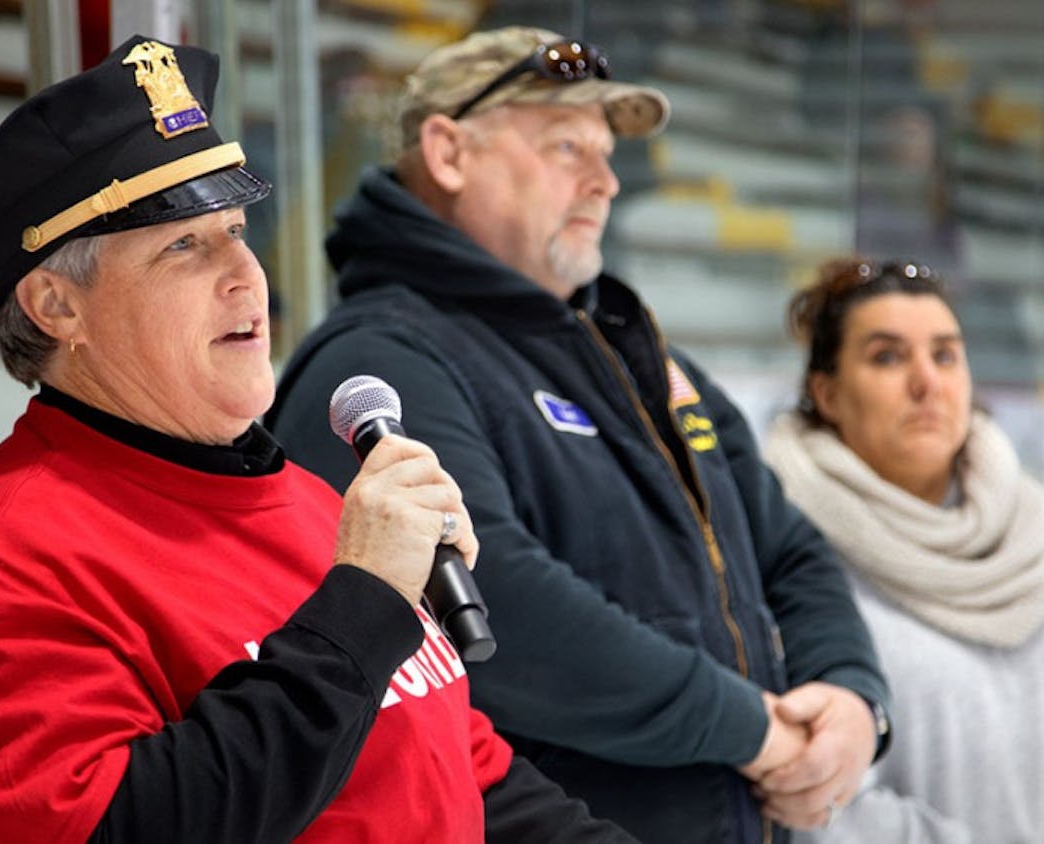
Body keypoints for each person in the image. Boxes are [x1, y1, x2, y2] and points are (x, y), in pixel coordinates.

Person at [0, 35, 632, 844]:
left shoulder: (312, 504)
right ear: (56, 306)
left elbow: (463, 774)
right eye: (183, 244)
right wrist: (361, 608)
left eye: (236, 229)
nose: (244, 274)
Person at [266, 26, 891, 842]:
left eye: (607, 155)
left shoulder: (639, 352)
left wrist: (851, 699)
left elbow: (791, 549)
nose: (605, 183)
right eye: (567, 147)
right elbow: (503, 614)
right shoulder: (381, 360)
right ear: (449, 153)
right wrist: (755, 732)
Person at [761, 257, 1044, 843]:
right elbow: (825, 796)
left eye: (945, 354)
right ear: (826, 393)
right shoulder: (791, 560)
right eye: (887, 356)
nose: (926, 381)